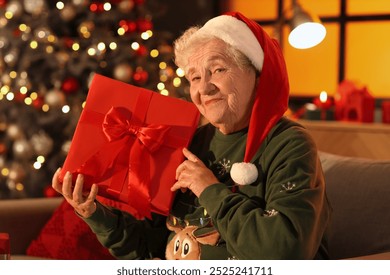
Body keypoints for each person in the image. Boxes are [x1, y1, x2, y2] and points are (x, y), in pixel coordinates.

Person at [52, 11, 331, 260]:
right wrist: (94, 212)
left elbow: (286, 252)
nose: (204, 88)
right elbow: (149, 246)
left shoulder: (289, 144)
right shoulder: (192, 141)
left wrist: (209, 189)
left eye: (218, 69)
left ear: (256, 74)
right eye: (195, 77)